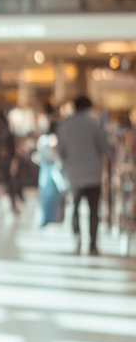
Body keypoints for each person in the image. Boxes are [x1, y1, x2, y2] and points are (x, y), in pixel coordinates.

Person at [58, 94, 112, 255]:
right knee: (93, 210)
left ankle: (77, 239)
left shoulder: (65, 125)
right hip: (93, 174)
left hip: (74, 175)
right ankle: (93, 245)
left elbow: (60, 151)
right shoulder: (94, 124)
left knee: (74, 208)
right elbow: (106, 149)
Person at [0, 109, 21, 213]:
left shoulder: (6, 132)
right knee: (0, 182)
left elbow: (11, 148)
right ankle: (2, 202)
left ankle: (13, 203)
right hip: (0, 160)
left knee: (8, 182)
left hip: (5, 161)